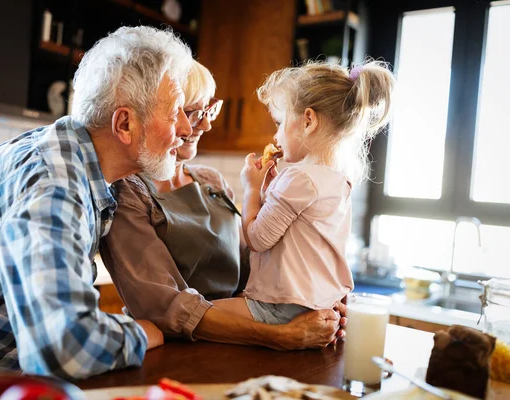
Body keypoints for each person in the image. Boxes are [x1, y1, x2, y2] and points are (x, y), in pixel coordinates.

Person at [0, 26, 194, 379]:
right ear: (125, 123)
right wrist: (141, 332)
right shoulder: (57, 185)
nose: (186, 127)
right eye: (176, 111)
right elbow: (65, 351)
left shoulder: (68, 157)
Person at [102, 61, 348, 350]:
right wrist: (280, 335)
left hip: (245, 344)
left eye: (209, 110)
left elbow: (255, 267)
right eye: (192, 112)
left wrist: (309, 301)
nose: (205, 124)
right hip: (183, 351)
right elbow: (166, 306)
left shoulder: (212, 180)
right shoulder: (126, 192)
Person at [213, 60, 395, 324]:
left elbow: (257, 239)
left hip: (281, 307)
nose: (276, 136)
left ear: (308, 120)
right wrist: (269, 192)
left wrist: (251, 188)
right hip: (315, 305)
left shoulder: (299, 178)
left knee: (196, 313)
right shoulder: (337, 178)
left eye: (279, 122)